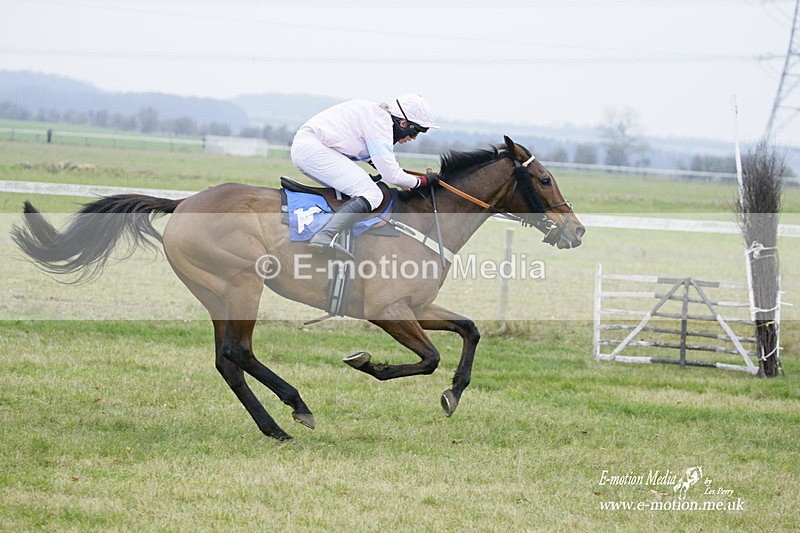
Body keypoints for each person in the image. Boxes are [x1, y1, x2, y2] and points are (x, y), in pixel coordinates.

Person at [290, 94, 440, 257]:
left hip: (312, 148)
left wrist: (404, 178)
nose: (413, 138)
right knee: (372, 194)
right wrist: (422, 181)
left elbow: (380, 163)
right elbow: (392, 176)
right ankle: (324, 236)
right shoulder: (380, 124)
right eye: (415, 132)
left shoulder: (378, 117)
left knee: (359, 189)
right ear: (404, 124)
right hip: (313, 149)